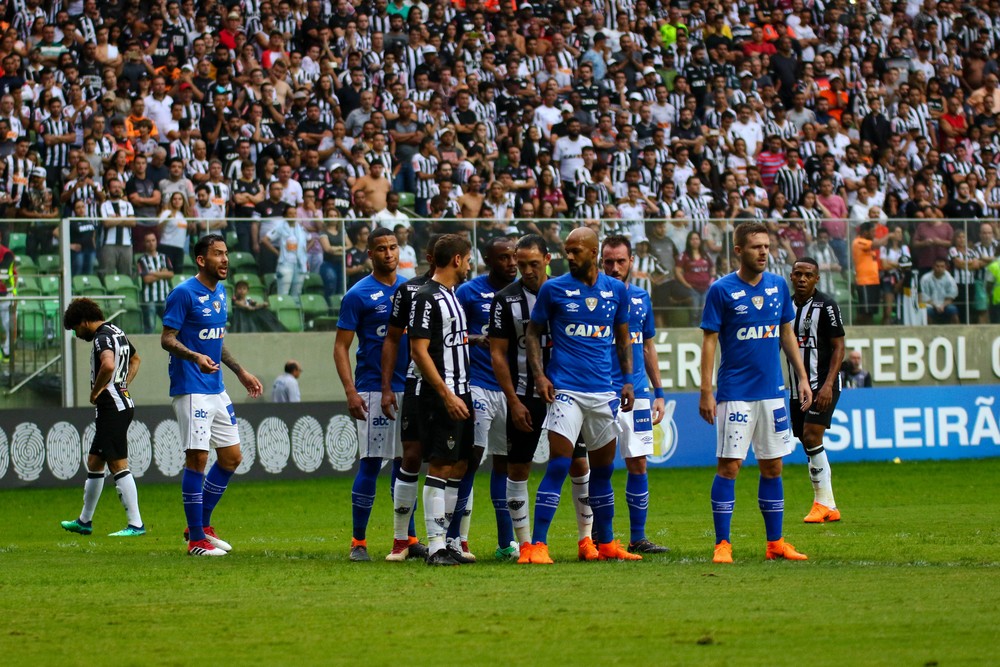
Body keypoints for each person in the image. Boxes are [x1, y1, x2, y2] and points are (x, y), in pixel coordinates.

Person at [523, 227, 641, 564]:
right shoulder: (554, 289)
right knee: (560, 465)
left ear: (593, 251)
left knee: (602, 473)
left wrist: (628, 381)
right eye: (567, 251)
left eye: (575, 251)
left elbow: (623, 338)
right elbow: (533, 333)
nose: (569, 257)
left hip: (604, 392)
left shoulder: (616, 290)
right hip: (567, 392)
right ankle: (537, 545)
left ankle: (605, 544)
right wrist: (540, 375)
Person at [699, 221, 813, 564]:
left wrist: (802, 377)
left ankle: (775, 543)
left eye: (766, 246)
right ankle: (723, 543)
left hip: (773, 393)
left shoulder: (779, 286)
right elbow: (709, 342)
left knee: (773, 467)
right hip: (735, 392)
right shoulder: (721, 290)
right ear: (738, 251)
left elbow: (787, 334)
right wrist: (706, 390)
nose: (763, 252)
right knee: (730, 467)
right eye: (755, 247)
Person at [161, 234, 264, 557]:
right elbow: (167, 339)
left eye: (226, 253)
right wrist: (194, 357)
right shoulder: (183, 293)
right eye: (218, 254)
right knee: (198, 459)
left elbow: (216, 341)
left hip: (216, 387)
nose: (225, 259)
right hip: (191, 387)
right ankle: (195, 541)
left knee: (232, 458)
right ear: (201, 260)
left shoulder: (220, 292)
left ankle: (202, 526)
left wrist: (240, 371)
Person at [334, 227, 412, 562]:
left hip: (410, 385)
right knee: (370, 463)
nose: (389, 254)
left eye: (393, 247)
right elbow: (340, 347)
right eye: (381, 249)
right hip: (371, 387)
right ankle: (359, 541)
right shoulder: (357, 295)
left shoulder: (412, 289)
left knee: (406, 464)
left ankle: (405, 538)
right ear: (370, 254)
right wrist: (351, 392)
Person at [600, 235, 670, 554]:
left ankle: (637, 537)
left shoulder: (642, 297)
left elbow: (648, 345)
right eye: (608, 262)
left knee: (638, 463)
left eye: (620, 261)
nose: (614, 268)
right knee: (597, 466)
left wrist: (658, 391)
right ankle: (602, 539)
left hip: (638, 395)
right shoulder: (594, 296)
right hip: (600, 391)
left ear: (631, 262)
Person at [409, 233, 475, 566]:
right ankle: (435, 547)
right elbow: (418, 351)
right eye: (468, 258)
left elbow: (448, 341)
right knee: (441, 464)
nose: (470, 264)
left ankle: (448, 540)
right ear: (457, 260)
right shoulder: (426, 297)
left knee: (460, 464)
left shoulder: (452, 296)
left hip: (461, 388)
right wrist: (446, 394)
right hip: (441, 393)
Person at [454, 236, 519, 561]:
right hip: (478, 385)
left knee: (504, 464)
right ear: (488, 260)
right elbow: (451, 334)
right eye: (504, 257)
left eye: (513, 257)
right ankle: (456, 538)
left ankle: (506, 543)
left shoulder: (522, 292)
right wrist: (476, 338)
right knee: (470, 461)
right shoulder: (468, 292)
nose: (511, 263)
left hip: (512, 389)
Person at [379, 235, 442, 562]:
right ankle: (401, 541)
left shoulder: (462, 292)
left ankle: (449, 541)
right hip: (418, 386)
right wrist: (387, 385)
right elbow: (392, 339)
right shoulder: (408, 291)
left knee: (453, 462)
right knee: (411, 456)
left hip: (455, 386)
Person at [60, 298, 145, 537]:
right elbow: (136, 359)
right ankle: (84, 521)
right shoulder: (116, 331)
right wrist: (123, 383)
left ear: (85, 321)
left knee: (118, 464)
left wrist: (97, 390)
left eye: (76, 328)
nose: (77, 334)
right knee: (95, 462)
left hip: (112, 407)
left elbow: (107, 365)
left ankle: (136, 524)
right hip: (121, 402)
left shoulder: (100, 338)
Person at [789, 259, 845, 524]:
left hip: (822, 384)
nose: (802, 279)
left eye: (808, 275)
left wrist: (828, 386)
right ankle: (830, 505)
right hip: (795, 387)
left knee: (812, 436)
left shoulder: (827, 306)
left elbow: (838, 347)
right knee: (805, 439)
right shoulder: (784, 307)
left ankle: (821, 503)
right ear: (791, 276)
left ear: (817, 279)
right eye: (798, 274)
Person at [137, 231, 174, 334]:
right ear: (144, 243)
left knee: (171, 327)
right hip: (149, 299)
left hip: (164, 297)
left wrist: (153, 273)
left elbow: (170, 274)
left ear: (157, 242)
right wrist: (162, 273)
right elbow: (146, 279)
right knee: (150, 327)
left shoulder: (164, 257)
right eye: (148, 241)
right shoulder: (141, 260)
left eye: (153, 240)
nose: (151, 243)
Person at [920, 257, 960, 324]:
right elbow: (923, 296)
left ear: (945, 267)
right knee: (926, 312)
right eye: (937, 266)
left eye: (942, 266)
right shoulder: (925, 279)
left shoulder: (950, 279)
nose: (939, 268)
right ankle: (928, 333)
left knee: (953, 311)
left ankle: (958, 332)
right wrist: (935, 305)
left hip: (945, 305)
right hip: (930, 305)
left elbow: (951, 297)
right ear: (933, 266)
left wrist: (942, 306)